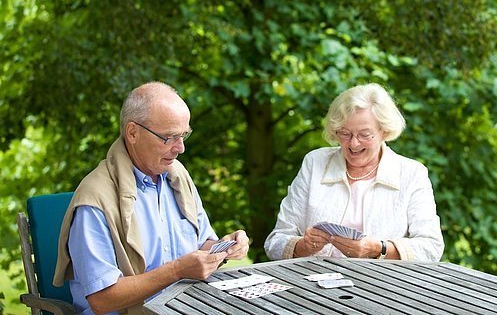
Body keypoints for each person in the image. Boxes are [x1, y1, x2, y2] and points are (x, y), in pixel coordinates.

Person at [54, 82, 249, 315]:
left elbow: (200, 245)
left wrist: (223, 247)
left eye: (184, 135)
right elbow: (102, 299)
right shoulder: (95, 200)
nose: (181, 148)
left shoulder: (177, 177)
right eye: (169, 137)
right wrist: (176, 270)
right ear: (133, 133)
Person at [264, 83, 444, 261]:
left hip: (383, 286)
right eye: (344, 133)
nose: (353, 144)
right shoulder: (315, 163)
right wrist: (304, 246)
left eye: (365, 135)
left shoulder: (411, 174)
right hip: (315, 282)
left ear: (384, 131)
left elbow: (431, 248)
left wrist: (378, 249)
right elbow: (275, 242)